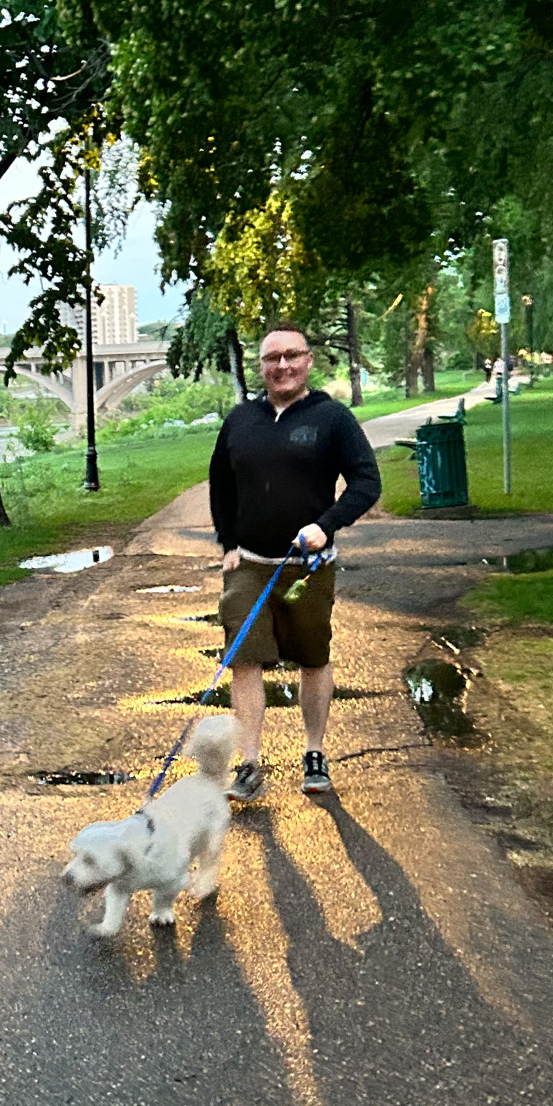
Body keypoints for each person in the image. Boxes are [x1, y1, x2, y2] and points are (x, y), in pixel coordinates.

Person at [208, 322, 381, 799]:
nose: (281, 365)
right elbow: (220, 485)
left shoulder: (332, 418)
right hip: (249, 566)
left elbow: (367, 482)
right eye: (271, 358)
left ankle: (314, 752)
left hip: (309, 568)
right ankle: (248, 764)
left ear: (307, 361)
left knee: (312, 658)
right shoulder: (240, 421)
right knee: (244, 660)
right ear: (260, 366)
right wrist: (227, 544)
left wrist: (326, 524)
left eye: (291, 356)